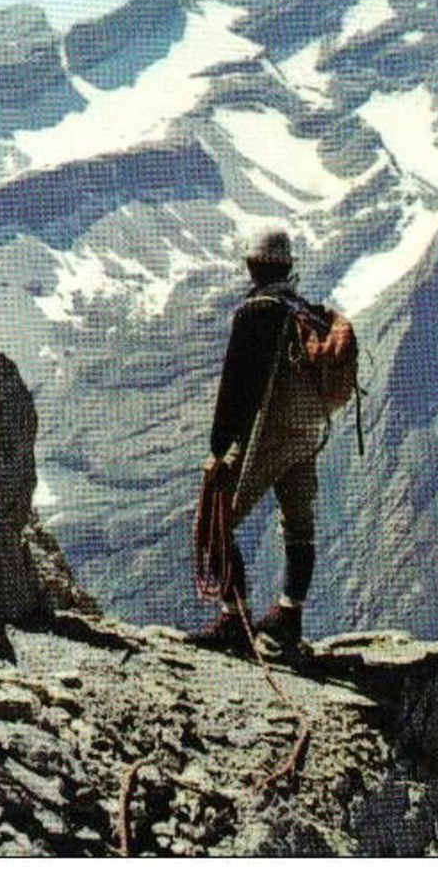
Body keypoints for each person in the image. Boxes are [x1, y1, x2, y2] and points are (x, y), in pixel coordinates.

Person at [189, 226, 324, 652]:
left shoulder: (255, 313)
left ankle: (235, 618)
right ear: (288, 265)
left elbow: (235, 390)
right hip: (306, 434)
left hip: (269, 436)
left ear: (252, 266)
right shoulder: (304, 311)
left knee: (215, 521)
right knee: (298, 524)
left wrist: (219, 448)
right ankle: (289, 615)